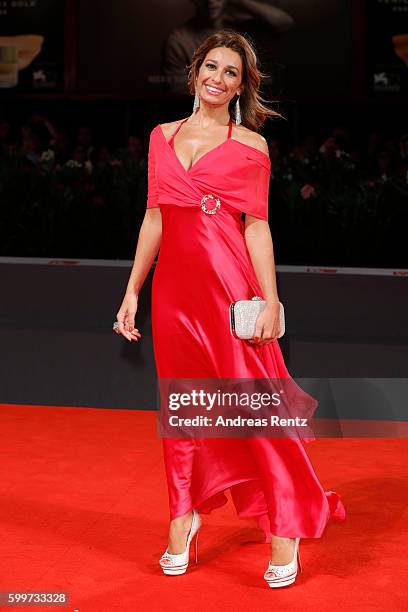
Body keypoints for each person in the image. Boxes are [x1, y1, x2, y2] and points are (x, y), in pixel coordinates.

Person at [115, 30, 345, 588]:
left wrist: (269, 299)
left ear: (243, 86)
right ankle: (182, 517)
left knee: (253, 411)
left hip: (229, 291)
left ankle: (284, 527)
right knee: (186, 411)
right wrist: (132, 291)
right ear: (194, 73)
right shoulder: (160, 137)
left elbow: (258, 229)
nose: (218, 79)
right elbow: (154, 221)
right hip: (175, 295)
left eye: (231, 73)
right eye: (211, 67)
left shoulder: (251, 146)